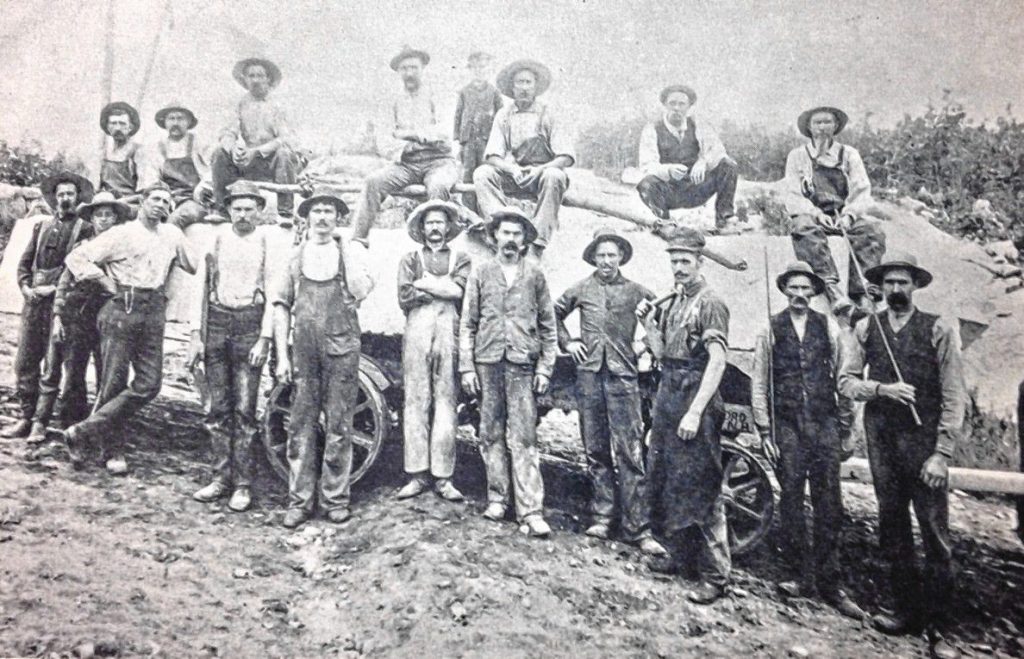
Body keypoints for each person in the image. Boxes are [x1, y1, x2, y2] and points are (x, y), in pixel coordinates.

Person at [838, 252, 965, 659]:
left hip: (924, 443)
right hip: (882, 440)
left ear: (915, 286)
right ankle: (905, 612)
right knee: (892, 527)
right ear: (881, 286)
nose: (895, 289)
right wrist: (881, 391)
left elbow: (953, 395)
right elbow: (846, 381)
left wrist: (941, 453)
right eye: (889, 282)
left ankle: (940, 628)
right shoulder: (865, 327)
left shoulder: (938, 328)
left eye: (902, 282)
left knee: (934, 533)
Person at [749, 261, 864, 619]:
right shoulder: (770, 329)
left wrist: (846, 428)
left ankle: (831, 583)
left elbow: (845, 375)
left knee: (830, 503)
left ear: (814, 292)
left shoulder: (827, 326)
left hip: (824, 423)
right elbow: (759, 384)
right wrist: (765, 431)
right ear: (784, 290)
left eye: (805, 289)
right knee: (792, 500)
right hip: (787, 427)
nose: (799, 295)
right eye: (793, 288)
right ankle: (799, 575)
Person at [63, 182, 197, 475]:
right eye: (156, 199)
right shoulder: (122, 233)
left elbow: (194, 264)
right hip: (122, 306)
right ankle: (112, 451)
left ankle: (84, 431)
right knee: (114, 382)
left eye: (167, 201)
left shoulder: (172, 234)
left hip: (153, 309)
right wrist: (104, 281)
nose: (161, 205)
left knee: (150, 383)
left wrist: (183, 241)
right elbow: (76, 258)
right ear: (143, 202)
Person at [553, 228, 667, 556]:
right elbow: (553, 314)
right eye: (601, 255)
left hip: (624, 380)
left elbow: (664, 316)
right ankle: (602, 516)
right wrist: (568, 342)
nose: (606, 261)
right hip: (589, 378)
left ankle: (638, 529)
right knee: (596, 451)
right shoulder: (581, 289)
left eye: (612, 255)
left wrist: (645, 342)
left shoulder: (636, 292)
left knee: (630, 453)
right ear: (593, 258)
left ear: (620, 258)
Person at [636, 228, 731, 604]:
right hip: (669, 389)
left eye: (685, 261)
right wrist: (647, 323)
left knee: (703, 484)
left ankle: (716, 576)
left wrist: (695, 412)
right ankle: (680, 556)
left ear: (700, 262)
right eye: (674, 261)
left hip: (697, 394)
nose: (679, 268)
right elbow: (660, 354)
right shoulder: (674, 301)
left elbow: (718, 361)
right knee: (668, 476)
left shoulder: (711, 302)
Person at [270, 186, 374, 528]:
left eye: (330, 211)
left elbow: (362, 290)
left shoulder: (349, 253)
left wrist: (350, 253)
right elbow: (281, 307)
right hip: (304, 349)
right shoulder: (295, 255)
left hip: (342, 347)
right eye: (318, 211)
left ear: (338, 218)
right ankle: (299, 500)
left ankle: (335, 498)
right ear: (307, 217)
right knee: (300, 424)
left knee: (340, 423)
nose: (324, 217)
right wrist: (282, 357)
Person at [459, 207, 557, 537]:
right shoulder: (481, 272)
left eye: (517, 234)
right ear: (494, 237)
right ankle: (498, 499)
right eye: (505, 233)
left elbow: (548, 326)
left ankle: (531, 511)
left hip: (521, 365)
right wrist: (467, 367)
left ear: (525, 239)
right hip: (488, 362)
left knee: (525, 436)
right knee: (489, 432)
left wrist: (545, 368)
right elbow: (468, 324)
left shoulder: (535, 275)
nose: (511, 240)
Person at [188, 182, 274, 513]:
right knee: (216, 408)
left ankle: (243, 484)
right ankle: (220, 479)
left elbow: (274, 292)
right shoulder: (217, 238)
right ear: (228, 210)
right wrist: (196, 334)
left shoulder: (266, 241)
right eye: (237, 208)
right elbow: (200, 287)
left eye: (249, 208)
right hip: (217, 325)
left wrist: (264, 338)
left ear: (258, 210)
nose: (242, 214)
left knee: (245, 409)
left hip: (249, 325)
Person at [27, 192, 131, 443]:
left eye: (109, 215)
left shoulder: (124, 248)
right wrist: (59, 315)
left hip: (110, 317)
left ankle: (101, 429)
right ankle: (67, 425)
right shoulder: (81, 248)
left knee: (110, 373)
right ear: (92, 219)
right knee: (72, 370)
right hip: (79, 316)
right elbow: (64, 282)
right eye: (99, 215)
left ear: (116, 219)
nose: (104, 220)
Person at [3, 172, 96, 439]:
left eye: (70, 194)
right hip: (34, 305)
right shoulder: (41, 226)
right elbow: (24, 264)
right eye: (61, 194)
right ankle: (25, 416)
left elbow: (81, 270)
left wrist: (54, 289)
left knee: (55, 365)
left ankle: (47, 423)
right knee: (25, 362)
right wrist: (27, 287)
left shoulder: (85, 229)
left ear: (78, 198)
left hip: (63, 306)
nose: (65, 198)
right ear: (54, 198)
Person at [395, 200, 472, 501]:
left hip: (447, 332)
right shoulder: (410, 258)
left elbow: (459, 292)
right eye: (429, 223)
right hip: (416, 332)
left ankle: (443, 477)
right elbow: (404, 295)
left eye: (440, 222)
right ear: (422, 228)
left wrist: (424, 285)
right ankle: (416, 475)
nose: (435, 228)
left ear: (449, 227)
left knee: (445, 401)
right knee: (415, 400)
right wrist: (438, 288)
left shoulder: (461, 258)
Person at [351, 46, 458, 247]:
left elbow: (444, 133)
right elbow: (384, 139)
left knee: (438, 187)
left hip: (439, 162)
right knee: (373, 181)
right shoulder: (392, 101)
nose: (409, 73)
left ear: (422, 68)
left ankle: (438, 244)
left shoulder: (438, 96)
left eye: (413, 68)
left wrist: (409, 135)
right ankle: (358, 238)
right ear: (399, 72)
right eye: (404, 69)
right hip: (405, 164)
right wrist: (410, 146)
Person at [783, 105, 886, 315]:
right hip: (812, 215)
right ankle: (832, 290)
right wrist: (816, 214)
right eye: (817, 123)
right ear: (809, 128)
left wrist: (849, 215)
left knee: (872, 231)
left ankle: (864, 294)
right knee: (802, 228)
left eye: (827, 122)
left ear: (836, 126)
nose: (822, 128)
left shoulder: (848, 154)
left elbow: (861, 190)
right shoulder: (797, 156)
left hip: (843, 214)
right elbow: (792, 194)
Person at [473, 59, 574, 258]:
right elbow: (492, 155)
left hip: (542, 175)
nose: (524, 88)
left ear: (536, 86)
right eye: (519, 82)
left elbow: (566, 157)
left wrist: (540, 169)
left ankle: (537, 243)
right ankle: (502, 232)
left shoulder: (548, 113)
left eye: (528, 82)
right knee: (482, 173)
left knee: (555, 175)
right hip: (516, 175)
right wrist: (513, 170)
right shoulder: (504, 114)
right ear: (512, 87)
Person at [636, 85, 738, 231]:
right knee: (646, 184)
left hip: (697, 188)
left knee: (728, 165)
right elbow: (647, 166)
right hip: (670, 191)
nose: (676, 108)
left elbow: (718, 150)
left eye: (681, 104)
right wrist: (668, 170)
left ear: (689, 107)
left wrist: (703, 161)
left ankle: (725, 220)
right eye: (672, 103)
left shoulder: (698, 125)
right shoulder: (652, 129)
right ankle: (665, 224)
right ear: (664, 105)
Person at [212, 57, 298, 220]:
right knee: (219, 153)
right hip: (250, 162)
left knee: (284, 154)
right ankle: (221, 209)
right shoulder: (240, 104)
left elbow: (286, 138)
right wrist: (233, 149)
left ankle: (285, 212)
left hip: (272, 160)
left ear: (268, 79)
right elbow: (227, 133)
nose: (256, 80)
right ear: (245, 79)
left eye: (260, 76)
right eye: (251, 76)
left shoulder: (277, 105)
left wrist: (257, 152)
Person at [142, 102, 212, 229]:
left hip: (195, 201)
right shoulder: (157, 148)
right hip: (168, 200)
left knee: (174, 221)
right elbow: (151, 180)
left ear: (189, 122)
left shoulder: (199, 143)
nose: (175, 123)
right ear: (165, 122)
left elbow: (214, 172)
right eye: (171, 119)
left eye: (180, 119)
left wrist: (202, 188)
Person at [453, 51, 503, 213]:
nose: (479, 71)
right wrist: (457, 140)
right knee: (468, 175)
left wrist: (499, 142)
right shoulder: (464, 92)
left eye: (482, 67)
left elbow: (501, 117)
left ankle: (487, 213)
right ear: (470, 70)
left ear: (488, 69)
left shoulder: (494, 92)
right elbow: (458, 115)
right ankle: (469, 214)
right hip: (468, 141)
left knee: (484, 174)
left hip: (487, 141)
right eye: (475, 68)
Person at [98, 102, 143, 198]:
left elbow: (144, 189)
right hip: (106, 203)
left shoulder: (138, 152)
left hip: (130, 203)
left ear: (131, 127)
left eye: (122, 124)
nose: (118, 128)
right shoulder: (102, 154)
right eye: (113, 123)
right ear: (107, 127)